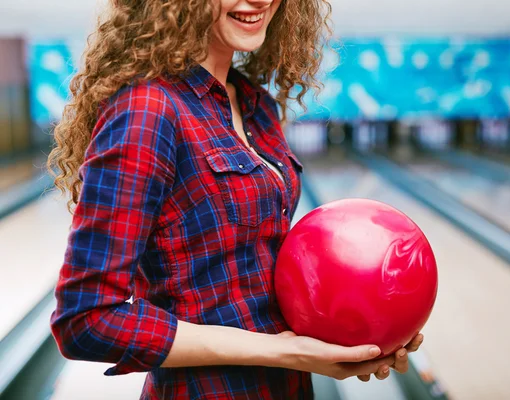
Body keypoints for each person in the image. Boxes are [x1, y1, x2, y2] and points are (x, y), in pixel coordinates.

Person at [47, 0, 424, 398]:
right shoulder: (148, 110)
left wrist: (362, 326)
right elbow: (85, 320)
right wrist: (282, 351)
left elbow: (255, 276)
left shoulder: (257, 105)